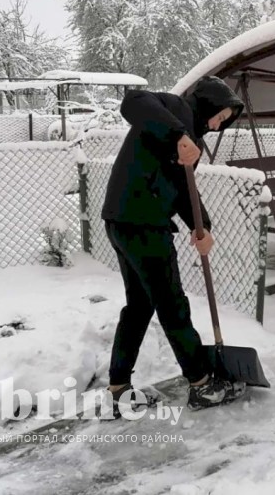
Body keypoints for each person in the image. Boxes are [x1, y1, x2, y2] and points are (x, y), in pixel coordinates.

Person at [101, 76, 245, 412]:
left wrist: (202, 228)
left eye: (223, 122)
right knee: (172, 305)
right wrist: (178, 134)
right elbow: (133, 101)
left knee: (139, 308)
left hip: (123, 222)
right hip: (142, 224)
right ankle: (202, 384)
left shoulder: (190, 143)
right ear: (209, 102)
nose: (217, 124)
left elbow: (184, 190)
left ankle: (118, 388)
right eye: (219, 116)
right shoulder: (173, 108)